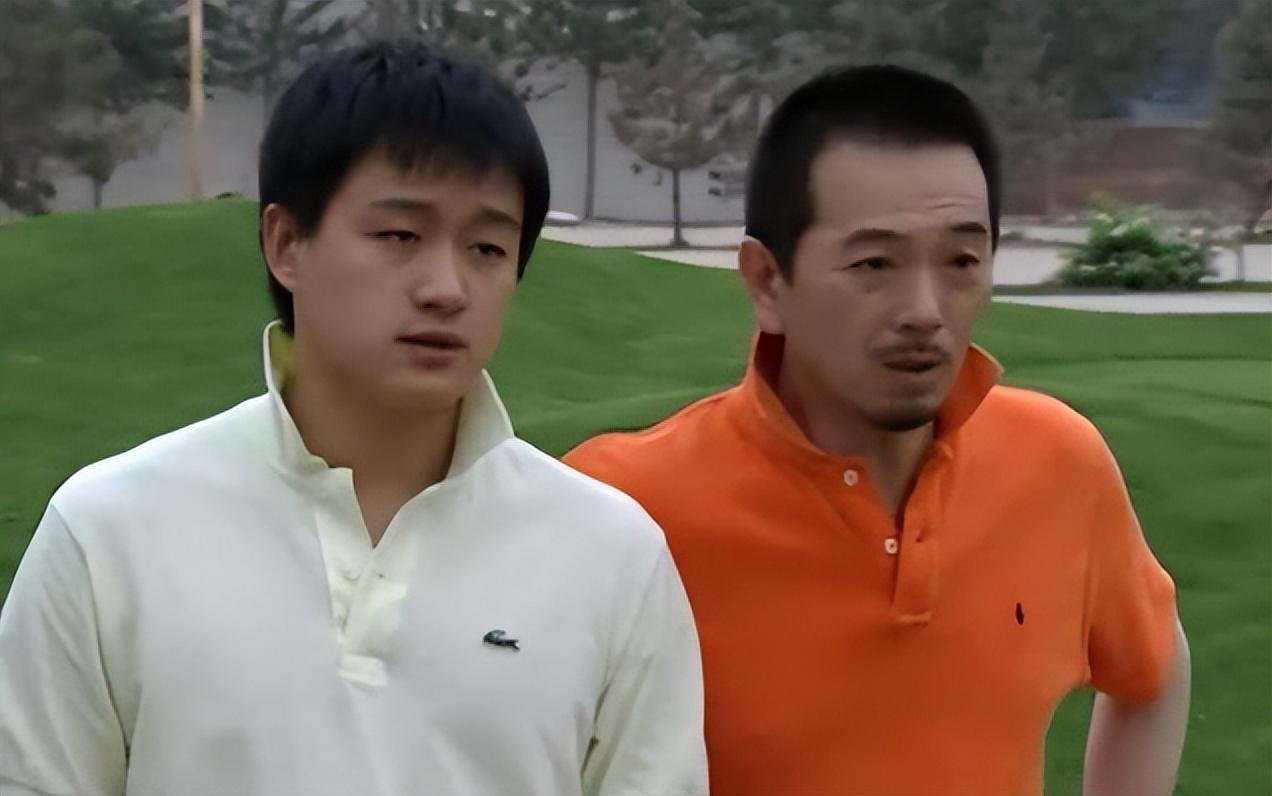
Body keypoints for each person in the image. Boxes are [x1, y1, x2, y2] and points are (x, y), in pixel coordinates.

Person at [0, 41, 706, 796]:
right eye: (400, 236)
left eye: (487, 247)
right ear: (285, 243)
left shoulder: (610, 555)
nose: (447, 288)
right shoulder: (110, 530)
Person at [565, 65, 1190, 795]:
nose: (924, 309)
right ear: (766, 281)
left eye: (961, 260)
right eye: (874, 263)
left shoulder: (1057, 462)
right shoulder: (619, 509)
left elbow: (1156, 667)